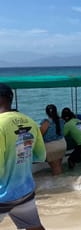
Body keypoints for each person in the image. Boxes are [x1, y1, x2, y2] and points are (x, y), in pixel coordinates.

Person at [0, 83, 46, 230]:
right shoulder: (30, 121)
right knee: (35, 227)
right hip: (24, 191)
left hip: (2, 196)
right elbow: (40, 156)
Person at [39, 104, 67, 176]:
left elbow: (40, 135)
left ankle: (58, 184)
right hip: (62, 144)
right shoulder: (61, 120)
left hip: (52, 146)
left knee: (55, 168)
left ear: (46, 112)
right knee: (58, 166)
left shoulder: (46, 122)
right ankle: (62, 182)